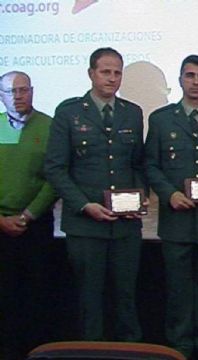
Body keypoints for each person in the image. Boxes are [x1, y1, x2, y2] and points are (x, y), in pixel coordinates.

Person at [44, 47, 145, 341]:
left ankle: (131, 351)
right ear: (91, 74)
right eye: (105, 71)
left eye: (117, 72)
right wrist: (84, 205)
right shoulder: (69, 112)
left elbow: (137, 164)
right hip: (86, 225)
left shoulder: (132, 112)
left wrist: (140, 196)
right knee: (90, 299)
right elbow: (56, 169)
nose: (112, 78)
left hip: (126, 226)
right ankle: (92, 349)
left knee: (126, 297)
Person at [145, 55, 198, 359]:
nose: (196, 82)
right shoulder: (160, 119)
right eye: (190, 76)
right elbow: (151, 165)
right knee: (178, 288)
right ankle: (180, 344)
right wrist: (169, 194)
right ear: (180, 79)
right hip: (176, 221)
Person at [0, 71, 58, 359]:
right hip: (0, 227)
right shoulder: (0, 126)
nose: (18, 96)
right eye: (11, 92)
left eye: (23, 90)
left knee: (37, 298)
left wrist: (28, 215)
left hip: (35, 226)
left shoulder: (49, 126)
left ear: (33, 91)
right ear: (2, 96)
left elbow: (54, 177)